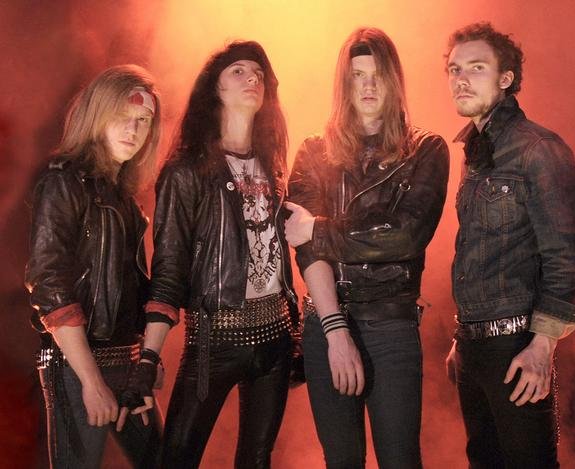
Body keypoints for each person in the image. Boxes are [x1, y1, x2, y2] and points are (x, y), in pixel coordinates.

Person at [285, 27, 449, 468]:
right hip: (326, 324)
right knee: (341, 461)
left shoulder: (426, 149)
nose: (368, 86)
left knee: (400, 460)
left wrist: (318, 230)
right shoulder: (314, 151)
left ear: (394, 81)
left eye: (377, 75)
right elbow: (306, 251)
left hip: (391, 326)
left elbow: (405, 235)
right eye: (358, 75)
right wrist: (335, 329)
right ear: (345, 84)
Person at [141, 41, 299, 468]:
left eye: (259, 74)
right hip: (214, 340)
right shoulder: (186, 171)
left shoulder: (273, 166)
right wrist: (149, 356)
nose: (253, 79)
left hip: (276, 340)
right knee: (177, 458)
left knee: (257, 461)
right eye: (238, 71)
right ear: (216, 88)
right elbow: (169, 267)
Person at [444, 22, 575, 468]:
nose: (461, 79)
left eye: (477, 68)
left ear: (506, 78)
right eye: (454, 69)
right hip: (475, 346)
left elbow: (564, 255)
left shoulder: (538, 148)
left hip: (518, 347)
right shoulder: (475, 152)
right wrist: (463, 338)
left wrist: (543, 345)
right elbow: (480, 253)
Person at [25, 64, 162, 468]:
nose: (133, 129)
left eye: (143, 120)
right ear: (97, 113)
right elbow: (49, 286)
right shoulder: (62, 182)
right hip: (76, 364)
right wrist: (90, 380)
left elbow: (133, 290)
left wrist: (148, 360)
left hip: (127, 360)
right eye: (122, 115)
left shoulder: (125, 197)